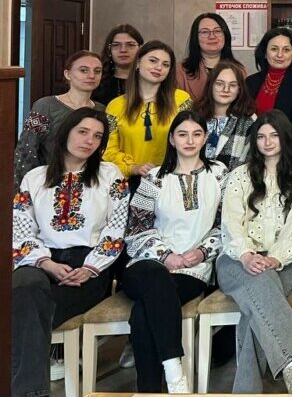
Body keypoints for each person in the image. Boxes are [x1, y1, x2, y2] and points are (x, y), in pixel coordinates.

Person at [12, 108, 129, 397]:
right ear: (66, 132)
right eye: (83, 132)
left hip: (88, 265)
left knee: (25, 309)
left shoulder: (109, 175)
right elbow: (21, 229)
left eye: (97, 136)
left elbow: (116, 230)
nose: (89, 141)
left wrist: (90, 267)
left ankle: (29, 392)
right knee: (24, 287)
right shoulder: (34, 178)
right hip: (41, 260)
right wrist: (46, 263)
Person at [122, 110, 227, 393]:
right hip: (146, 264)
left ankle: (149, 389)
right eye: (182, 134)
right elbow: (136, 229)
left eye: (196, 134)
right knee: (155, 278)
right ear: (172, 139)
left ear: (205, 138)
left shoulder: (219, 174)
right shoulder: (154, 178)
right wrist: (166, 256)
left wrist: (202, 252)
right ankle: (174, 372)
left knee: (143, 312)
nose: (189, 141)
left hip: (193, 269)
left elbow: (226, 226)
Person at [217, 110, 292, 394]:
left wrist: (275, 258)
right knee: (261, 288)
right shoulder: (239, 175)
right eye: (261, 137)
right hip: (236, 260)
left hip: (283, 261)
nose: (267, 142)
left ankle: (246, 391)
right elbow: (231, 223)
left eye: (274, 135)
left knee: (256, 309)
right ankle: (291, 365)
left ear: (285, 138)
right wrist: (247, 255)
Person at [103, 40, 192, 190]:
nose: (159, 67)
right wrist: (133, 167)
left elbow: (191, 141)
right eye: (153, 61)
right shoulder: (116, 106)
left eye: (165, 64)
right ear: (138, 63)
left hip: (172, 181)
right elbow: (108, 151)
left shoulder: (181, 100)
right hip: (129, 183)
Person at [15, 50, 106, 189]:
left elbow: (102, 152)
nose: (91, 75)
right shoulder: (46, 106)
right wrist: (24, 189)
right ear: (67, 74)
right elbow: (26, 151)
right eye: (84, 70)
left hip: (89, 185)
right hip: (48, 183)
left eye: (97, 71)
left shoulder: (102, 110)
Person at [246, 27, 292, 159]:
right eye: (274, 49)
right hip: (251, 154)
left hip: (286, 157)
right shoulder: (251, 82)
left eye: (286, 50)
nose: (280, 55)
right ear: (265, 53)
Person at [193, 60, 256, 172]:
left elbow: (251, 164)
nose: (226, 89)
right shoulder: (194, 116)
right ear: (210, 86)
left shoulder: (249, 121)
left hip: (233, 181)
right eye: (219, 84)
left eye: (232, 85)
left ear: (239, 89)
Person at [175, 12, 244, 100]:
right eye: (205, 32)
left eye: (217, 31)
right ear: (195, 37)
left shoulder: (239, 70)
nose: (212, 36)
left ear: (225, 35)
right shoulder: (180, 72)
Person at [93, 24, 144, 106]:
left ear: (140, 48)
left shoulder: (149, 81)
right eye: (116, 45)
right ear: (109, 49)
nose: (123, 50)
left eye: (130, 45)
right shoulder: (96, 81)